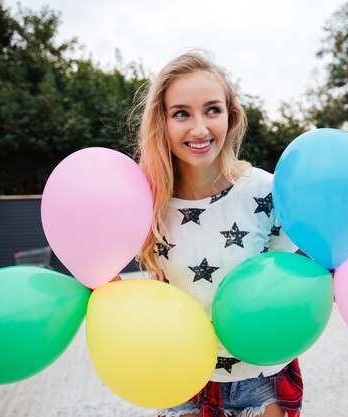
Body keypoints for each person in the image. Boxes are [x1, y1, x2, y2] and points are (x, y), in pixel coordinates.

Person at [130, 50, 303, 417]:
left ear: (231, 115)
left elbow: (288, 282)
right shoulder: (147, 201)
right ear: (162, 122)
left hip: (260, 374)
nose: (199, 129)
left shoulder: (266, 192)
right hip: (181, 374)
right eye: (181, 113)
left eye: (212, 110)